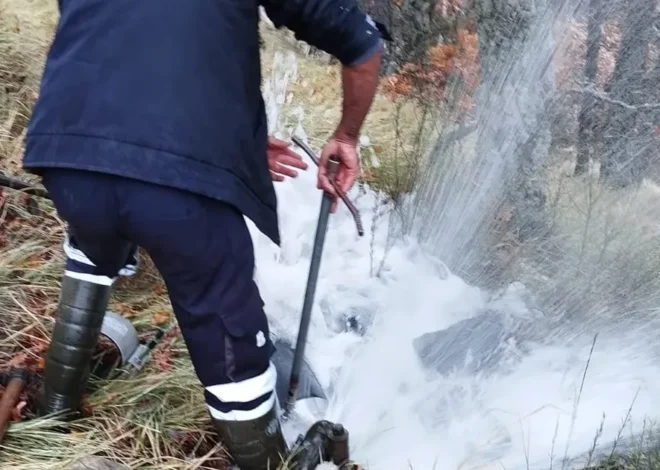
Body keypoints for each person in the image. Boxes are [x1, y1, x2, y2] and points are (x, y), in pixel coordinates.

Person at [21, 1, 384, 468]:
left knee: (95, 233)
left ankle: (52, 415)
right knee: (223, 319)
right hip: (178, 203)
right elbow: (362, 47)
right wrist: (347, 137)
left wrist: (231, 141)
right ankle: (264, 459)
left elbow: (126, 41)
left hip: (67, 155)